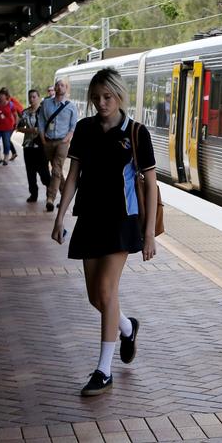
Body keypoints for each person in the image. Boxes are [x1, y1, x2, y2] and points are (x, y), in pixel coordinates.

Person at [51, 68, 157, 396]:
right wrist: (60, 215)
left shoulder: (137, 133)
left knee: (108, 292)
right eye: (96, 98)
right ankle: (127, 327)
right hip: (90, 219)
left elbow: (151, 185)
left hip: (122, 220)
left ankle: (104, 370)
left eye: (107, 97)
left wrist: (149, 233)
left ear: (119, 95)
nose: (101, 103)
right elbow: (73, 175)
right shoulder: (84, 129)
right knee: (95, 297)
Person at [38, 78, 78, 212]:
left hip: (62, 142)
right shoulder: (46, 104)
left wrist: (67, 138)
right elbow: (42, 121)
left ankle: (50, 198)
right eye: (57, 85)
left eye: (62, 85)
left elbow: (73, 126)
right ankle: (66, 197)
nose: (59, 87)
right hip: (48, 141)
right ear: (54, 88)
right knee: (58, 171)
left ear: (66, 88)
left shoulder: (71, 106)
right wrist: (43, 138)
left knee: (55, 169)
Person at [16, 89, 51, 202]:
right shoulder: (25, 112)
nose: (32, 99)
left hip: (41, 146)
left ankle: (50, 192)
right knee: (30, 172)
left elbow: (50, 127)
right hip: (28, 146)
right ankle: (33, 194)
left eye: (34, 97)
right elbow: (19, 127)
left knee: (44, 172)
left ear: (39, 98)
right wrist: (31, 130)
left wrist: (41, 131)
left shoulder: (44, 112)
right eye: (30, 97)